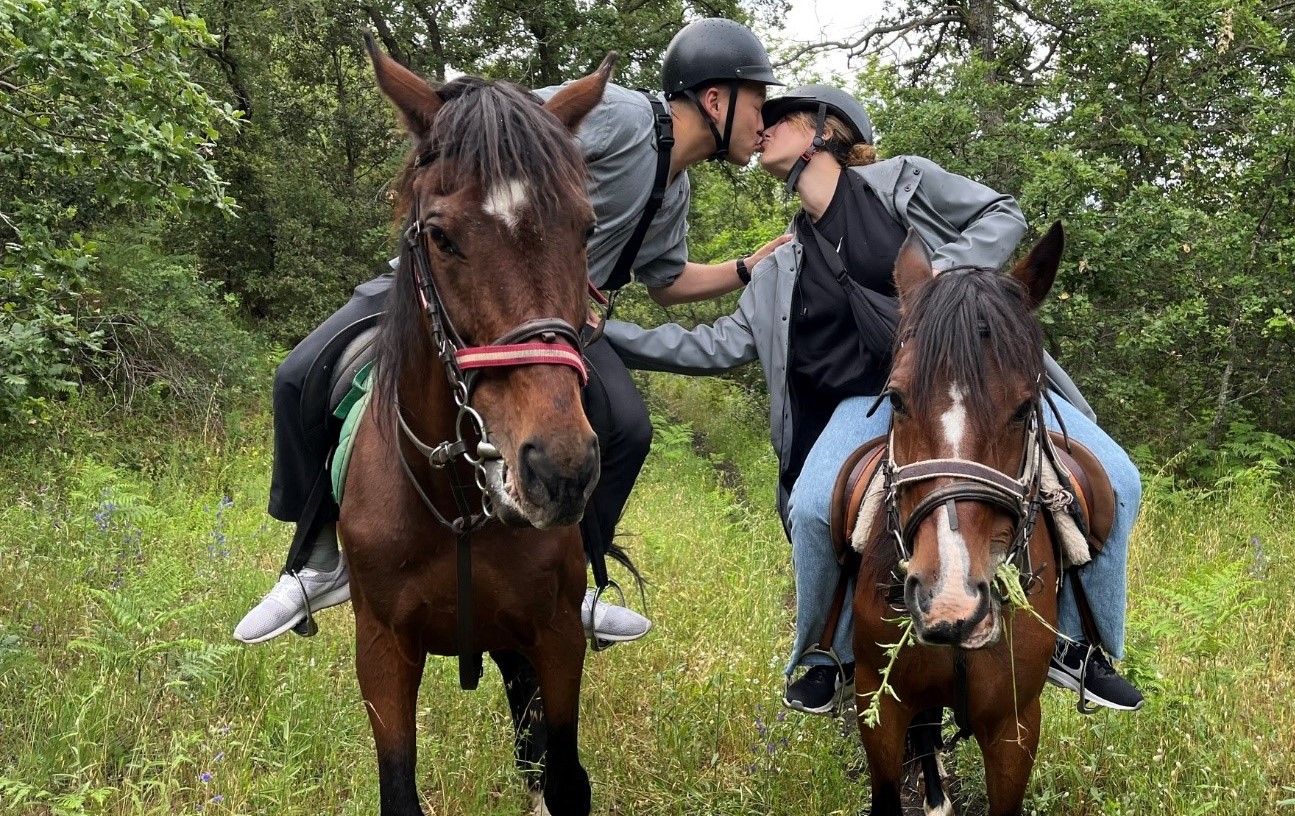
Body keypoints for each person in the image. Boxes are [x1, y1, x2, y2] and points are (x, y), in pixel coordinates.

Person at [233, 18, 788, 648]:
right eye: (761, 102)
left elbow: (667, 280)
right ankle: (315, 558)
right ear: (717, 100)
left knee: (629, 428)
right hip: (455, 288)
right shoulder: (626, 118)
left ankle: (578, 579)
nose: (765, 120)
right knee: (297, 376)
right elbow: (510, 120)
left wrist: (747, 268)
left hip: (557, 327)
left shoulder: (675, 189)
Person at [602, 85, 1145, 714]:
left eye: (780, 119)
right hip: (866, 405)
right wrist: (601, 334)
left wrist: (939, 282)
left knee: (1120, 480)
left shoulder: (903, 183)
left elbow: (1004, 214)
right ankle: (824, 655)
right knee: (809, 509)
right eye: (763, 118)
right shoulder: (782, 263)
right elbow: (714, 345)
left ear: (822, 133)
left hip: (981, 385)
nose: (763, 127)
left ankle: (1079, 648)